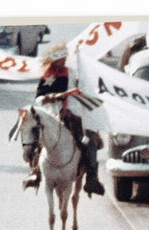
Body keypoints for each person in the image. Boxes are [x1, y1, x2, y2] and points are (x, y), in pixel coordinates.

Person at [22, 43, 105, 197]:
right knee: (36, 136)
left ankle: (91, 176)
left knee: (90, 137)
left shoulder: (72, 73)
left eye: (65, 58)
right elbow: (38, 98)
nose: (63, 61)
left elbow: (81, 91)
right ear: (54, 60)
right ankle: (35, 171)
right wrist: (49, 97)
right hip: (51, 114)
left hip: (72, 111)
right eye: (61, 58)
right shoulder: (46, 76)